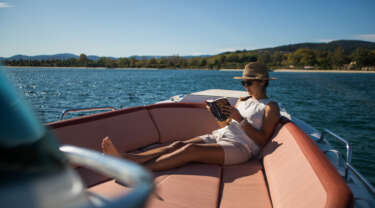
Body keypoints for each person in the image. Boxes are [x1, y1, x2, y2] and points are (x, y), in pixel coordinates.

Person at [101, 62, 280, 171]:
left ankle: (136, 169)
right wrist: (217, 114)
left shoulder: (270, 107)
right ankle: (127, 159)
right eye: (243, 82)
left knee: (189, 151)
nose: (244, 86)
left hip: (241, 149)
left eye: (248, 82)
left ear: (263, 81)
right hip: (221, 136)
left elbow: (262, 141)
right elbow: (225, 125)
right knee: (178, 144)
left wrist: (239, 118)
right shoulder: (242, 100)